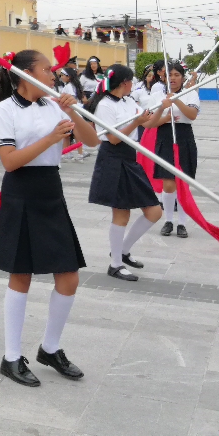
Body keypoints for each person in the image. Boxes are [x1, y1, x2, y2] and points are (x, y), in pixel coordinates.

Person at [0, 49, 99, 387]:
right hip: (21, 191)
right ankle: (11, 357)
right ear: (26, 74)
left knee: (68, 276)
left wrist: (73, 114)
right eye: (47, 70)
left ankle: (50, 348)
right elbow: (9, 161)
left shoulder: (54, 105)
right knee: (21, 275)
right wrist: (51, 137)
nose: (54, 76)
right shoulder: (3, 110)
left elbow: (92, 141)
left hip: (51, 190)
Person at [84, 66, 160, 281]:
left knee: (154, 211)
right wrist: (137, 121)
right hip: (113, 157)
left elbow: (150, 123)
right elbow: (114, 138)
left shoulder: (128, 102)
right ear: (124, 82)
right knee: (121, 214)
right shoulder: (105, 105)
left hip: (130, 157)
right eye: (131, 81)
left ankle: (122, 251)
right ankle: (115, 264)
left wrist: (163, 107)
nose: (133, 84)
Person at [146, 63, 199, 237]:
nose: (173, 78)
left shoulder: (191, 93)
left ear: (183, 77)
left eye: (177, 74)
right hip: (165, 137)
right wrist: (165, 111)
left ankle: (182, 224)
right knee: (168, 184)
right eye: (170, 75)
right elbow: (150, 123)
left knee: (182, 183)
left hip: (184, 138)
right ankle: (168, 220)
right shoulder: (156, 96)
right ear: (163, 77)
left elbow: (191, 115)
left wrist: (177, 100)